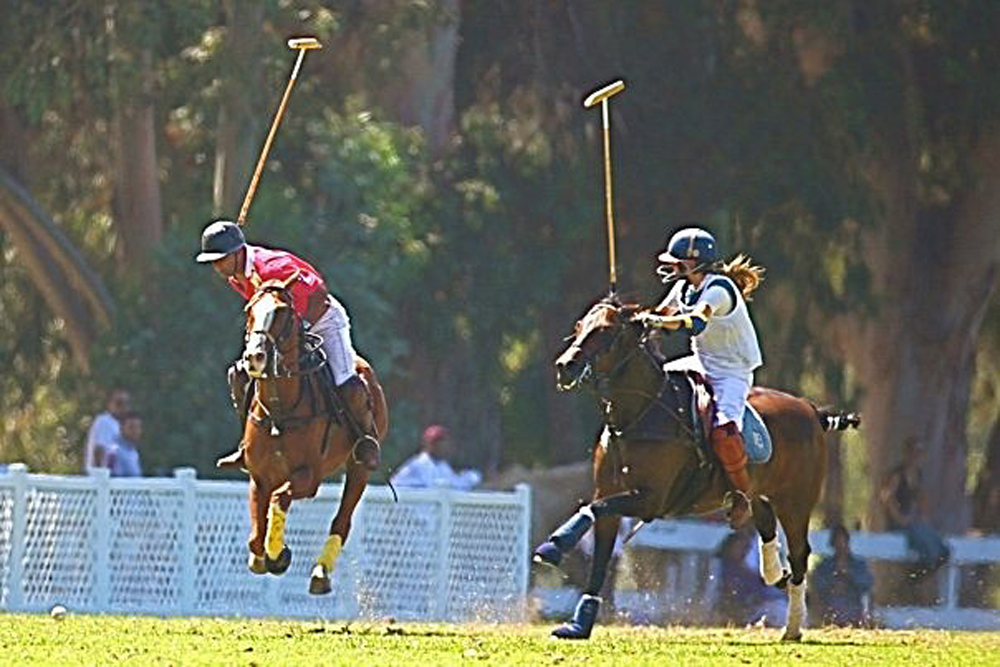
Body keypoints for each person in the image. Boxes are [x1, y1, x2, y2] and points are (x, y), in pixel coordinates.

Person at [195, 220, 380, 471]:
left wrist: (296, 323)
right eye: (213, 261)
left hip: (322, 320)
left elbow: (315, 285)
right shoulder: (235, 276)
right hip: (282, 330)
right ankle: (247, 444)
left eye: (221, 259)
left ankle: (366, 440)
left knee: (345, 381)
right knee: (240, 374)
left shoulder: (272, 267)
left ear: (238, 253)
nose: (217, 266)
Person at [635, 226, 765, 528]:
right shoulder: (684, 288)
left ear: (695, 263)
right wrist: (634, 317)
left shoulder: (719, 290)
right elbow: (661, 312)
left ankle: (742, 495)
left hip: (732, 372)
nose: (672, 267)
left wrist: (657, 321)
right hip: (701, 361)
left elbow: (695, 321)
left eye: (678, 262)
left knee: (724, 433)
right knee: (655, 391)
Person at [880, 437, 950, 573]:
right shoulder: (897, 475)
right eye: (914, 452)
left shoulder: (918, 475)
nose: (916, 457)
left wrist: (924, 518)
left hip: (913, 523)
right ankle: (913, 576)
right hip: (898, 523)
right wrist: (899, 518)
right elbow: (887, 498)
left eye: (919, 453)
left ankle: (918, 575)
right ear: (906, 453)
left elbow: (921, 498)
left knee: (943, 551)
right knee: (928, 549)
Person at [715, 528, 787, 627]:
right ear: (730, 547)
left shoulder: (746, 569)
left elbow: (758, 590)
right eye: (738, 546)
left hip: (762, 603)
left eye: (745, 547)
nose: (742, 550)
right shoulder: (724, 567)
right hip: (746, 606)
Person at [811, 524, 874, 626]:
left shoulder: (859, 564)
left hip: (853, 603)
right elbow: (818, 584)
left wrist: (849, 576)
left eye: (843, 541)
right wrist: (833, 582)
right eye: (837, 541)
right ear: (833, 543)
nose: (841, 544)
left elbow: (866, 584)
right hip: (830, 603)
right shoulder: (824, 565)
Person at [391, 425, 482, 490]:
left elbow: (456, 485)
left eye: (444, 443)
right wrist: (419, 488)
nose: (442, 447)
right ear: (427, 444)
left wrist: (474, 478)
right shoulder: (417, 464)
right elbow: (395, 484)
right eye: (436, 443)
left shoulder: (443, 466)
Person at [83, 388, 131, 475]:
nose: (123, 407)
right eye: (119, 403)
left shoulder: (118, 424)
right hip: (104, 478)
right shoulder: (105, 421)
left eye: (126, 403)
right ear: (109, 404)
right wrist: (101, 476)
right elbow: (99, 450)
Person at [104, 412, 144, 478]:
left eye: (138, 427)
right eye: (131, 427)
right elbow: (110, 478)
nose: (135, 431)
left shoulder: (133, 451)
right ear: (121, 428)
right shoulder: (114, 451)